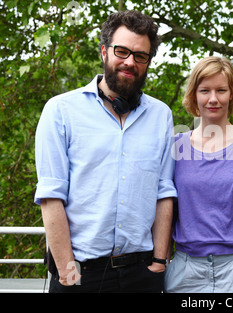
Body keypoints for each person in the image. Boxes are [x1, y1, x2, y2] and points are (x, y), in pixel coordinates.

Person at [34, 10, 177, 293]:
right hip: (78, 274)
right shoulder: (60, 110)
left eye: (140, 56)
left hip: (142, 274)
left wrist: (159, 262)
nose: (130, 62)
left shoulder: (161, 115)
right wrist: (66, 272)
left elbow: (164, 190)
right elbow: (51, 195)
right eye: (121, 51)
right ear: (103, 51)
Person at [164, 56, 233, 293]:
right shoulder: (175, 146)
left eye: (221, 90)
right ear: (194, 95)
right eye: (205, 90)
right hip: (185, 271)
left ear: (231, 94)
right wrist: (162, 262)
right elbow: (166, 211)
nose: (213, 99)